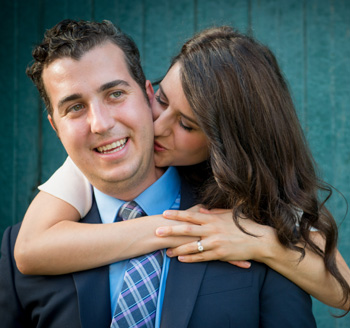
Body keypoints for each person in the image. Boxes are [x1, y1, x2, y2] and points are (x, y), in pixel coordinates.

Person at [0, 19, 318, 328]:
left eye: (115, 94)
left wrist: (268, 243)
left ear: (145, 94)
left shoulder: (252, 223)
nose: (101, 124)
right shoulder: (20, 246)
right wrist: (178, 228)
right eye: (75, 107)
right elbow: (28, 253)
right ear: (56, 127)